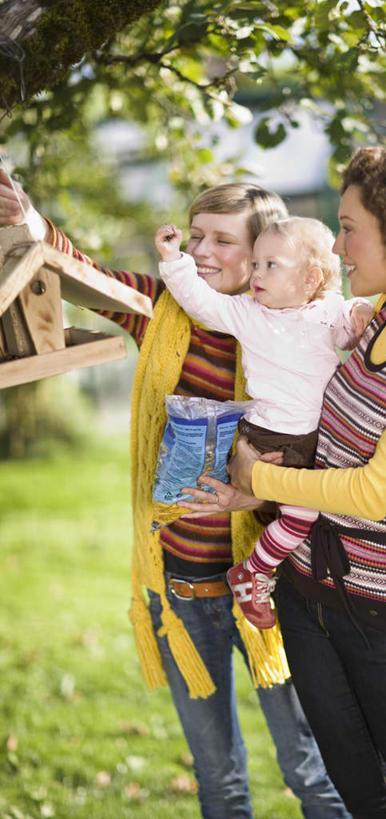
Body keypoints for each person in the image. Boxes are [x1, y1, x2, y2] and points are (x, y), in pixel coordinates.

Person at [0, 172, 350, 819]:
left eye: (223, 239)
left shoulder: (300, 337)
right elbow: (79, 269)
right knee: (217, 779)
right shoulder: (161, 307)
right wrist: (28, 220)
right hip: (182, 587)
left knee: (309, 768)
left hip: (271, 588)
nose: (204, 251)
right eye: (195, 237)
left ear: (263, 251)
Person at [182, 141, 386, 818]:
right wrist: (256, 492)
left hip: (385, 614)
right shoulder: (375, 319)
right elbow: (322, 444)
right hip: (303, 592)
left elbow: (372, 492)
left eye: (350, 227)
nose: (338, 244)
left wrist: (261, 471)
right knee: (364, 795)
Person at [155, 216, 374, 629]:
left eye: (270, 265)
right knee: (300, 517)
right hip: (275, 439)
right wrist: (173, 260)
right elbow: (203, 302)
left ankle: (282, 580)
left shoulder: (328, 310)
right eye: (255, 264)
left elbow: (349, 329)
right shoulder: (249, 313)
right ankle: (253, 571)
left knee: (314, 515)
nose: (256, 273)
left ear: (310, 278)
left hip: (321, 439)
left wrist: (361, 311)